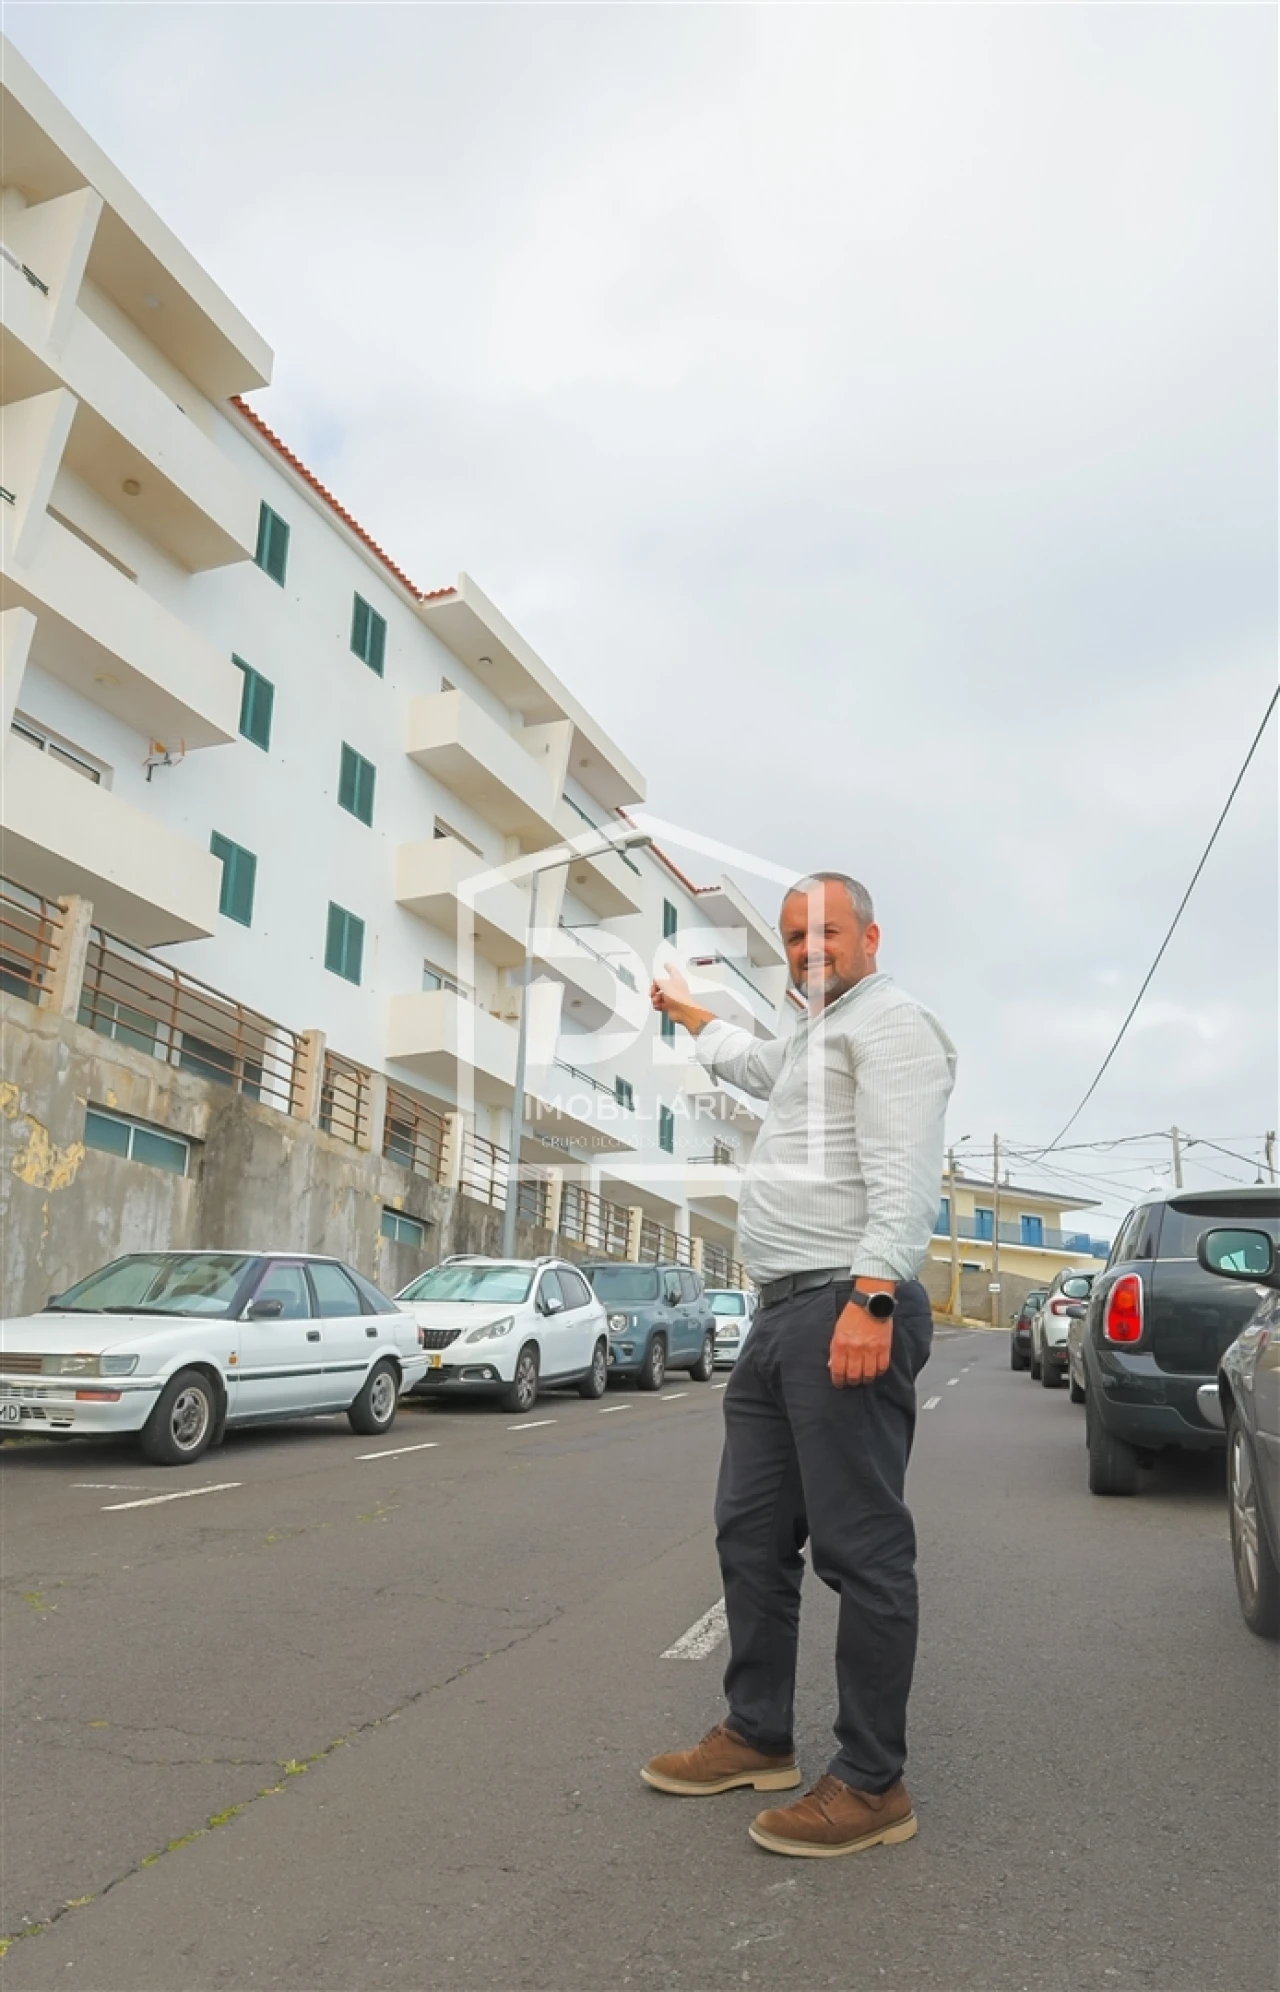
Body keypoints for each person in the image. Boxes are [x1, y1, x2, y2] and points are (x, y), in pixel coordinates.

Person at [642, 872, 956, 1858]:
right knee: (747, 1532)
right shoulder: (818, 1037)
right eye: (791, 936)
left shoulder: (892, 1025)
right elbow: (751, 1062)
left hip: (842, 1306)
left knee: (859, 1549)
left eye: (823, 931)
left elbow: (906, 1172)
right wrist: (690, 1013)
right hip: (781, 1320)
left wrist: (871, 1294)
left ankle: (871, 1783)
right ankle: (757, 1734)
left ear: (867, 933)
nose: (806, 948)